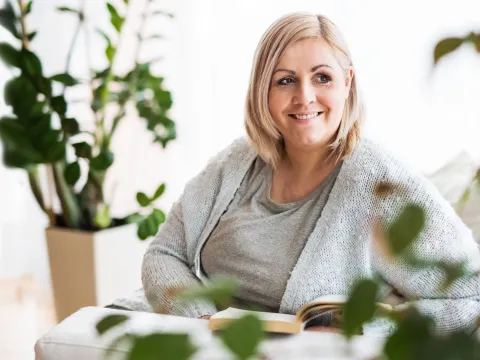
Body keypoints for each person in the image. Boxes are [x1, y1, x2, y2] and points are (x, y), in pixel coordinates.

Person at [114, 12, 480, 335]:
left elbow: (470, 294)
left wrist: (363, 329)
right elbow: (163, 254)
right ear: (264, 90)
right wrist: (203, 322)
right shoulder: (236, 163)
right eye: (285, 80)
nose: (305, 97)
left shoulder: (381, 182)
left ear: (347, 82)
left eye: (322, 77)